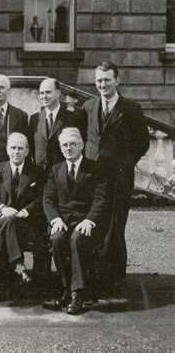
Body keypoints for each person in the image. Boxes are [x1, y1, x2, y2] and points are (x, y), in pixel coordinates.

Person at [82, 62, 150, 283]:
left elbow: (142, 142)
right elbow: (85, 138)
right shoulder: (88, 107)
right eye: (99, 80)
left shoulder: (131, 108)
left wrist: (124, 163)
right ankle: (95, 274)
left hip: (120, 177)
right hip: (94, 178)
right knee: (95, 223)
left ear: (117, 81)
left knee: (117, 225)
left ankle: (116, 278)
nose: (103, 84)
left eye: (107, 80)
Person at [43, 127, 110, 315]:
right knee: (56, 239)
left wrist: (89, 220)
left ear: (81, 145)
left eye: (73, 144)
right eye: (65, 145)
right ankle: (66, 289)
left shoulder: (96, 168)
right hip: (63, 221)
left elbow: (101, 200)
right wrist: (54, 219)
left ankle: (77, 294)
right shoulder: (55, 170)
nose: (69, 148)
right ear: (60, 147)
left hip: (86, 221)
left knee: (78, 239)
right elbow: (48, 199)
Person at [0, 132, 46, 284]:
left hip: (26, 222)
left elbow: (41, 199)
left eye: (20, 148)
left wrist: (26, 211)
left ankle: (16, 267)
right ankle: (19, 266)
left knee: (11, 221)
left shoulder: (37, 172)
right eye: (13, 148)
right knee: (9, 220)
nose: (16, 152)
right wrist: (2, 208)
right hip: (1, 220)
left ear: (27, 151)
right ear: (7, 150)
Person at [29, 78, 84, 172]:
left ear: (58, 93)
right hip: (39, 173)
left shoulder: (72, 118)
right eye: (41, 93)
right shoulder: (35, 119)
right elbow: (31, 147)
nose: (44, 96)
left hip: (62, 173)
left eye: (48, 92)